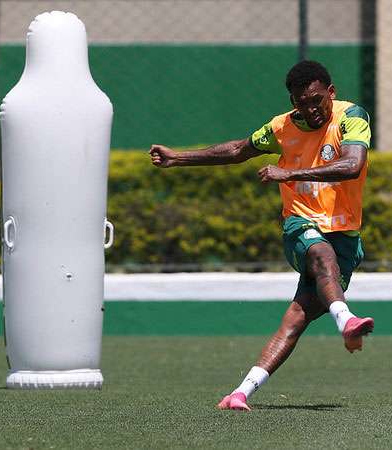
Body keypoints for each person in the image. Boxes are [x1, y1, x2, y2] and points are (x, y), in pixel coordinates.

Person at [149, 60, 374, 412]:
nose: (312, 109)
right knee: (320, 254)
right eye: (303, 103)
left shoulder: (351, 117)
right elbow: (238, 150)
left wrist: (289, 171)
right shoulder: (280, 128)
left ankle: (239, 393)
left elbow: (352, 165)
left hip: (345, 234)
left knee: (297, 319)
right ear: (292, 101)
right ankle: (345, 319)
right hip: (300, 224)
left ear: (331, 93)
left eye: (318, 100)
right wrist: (178, 158)